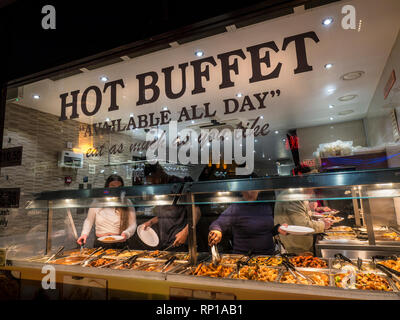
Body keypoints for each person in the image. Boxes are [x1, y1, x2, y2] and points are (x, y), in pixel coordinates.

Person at [208, 190, 288, 255]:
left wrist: (277, 229)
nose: (250, 193)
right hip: (244, 258)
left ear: (259, 190)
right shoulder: (236, 207)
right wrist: (216, 230)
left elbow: (267, 230)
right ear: (241, 191)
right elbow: (219, 223)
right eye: (247, 190)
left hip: (268, 256)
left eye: (253, 190)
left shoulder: (265, 206)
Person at [77, 175, 137, 249]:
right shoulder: (97, 201)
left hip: (120, 243)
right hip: (100, 243)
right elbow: (89, 220)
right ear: (107, 187)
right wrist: (84, 234)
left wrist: (126, 233)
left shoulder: (127, 202)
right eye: (112, 186)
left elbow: (133, 224)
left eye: (119, 187)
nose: (115, 189)